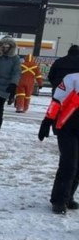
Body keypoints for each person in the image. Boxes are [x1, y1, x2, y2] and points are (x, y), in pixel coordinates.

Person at [40, 50, 79, 214]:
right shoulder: (72, 79)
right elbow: (57, 100)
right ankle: (59, 200)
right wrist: (47, 121)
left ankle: (68, 196)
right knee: (69, 163)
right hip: (67, 126)